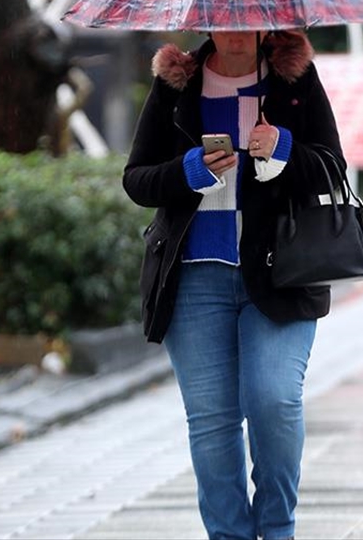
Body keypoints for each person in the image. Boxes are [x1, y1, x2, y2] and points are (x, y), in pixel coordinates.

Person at [123, 29, 344, 540]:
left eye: (248, 15)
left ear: (266, 20)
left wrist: (283, 148)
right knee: (212, 423)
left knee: (275, 400)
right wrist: (188, 171)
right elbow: (137, 178)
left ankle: (277, 529)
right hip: (194, 276)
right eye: (225, 15)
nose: (237, 28)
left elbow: (333, 169)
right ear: (206, 18)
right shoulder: (177, 83)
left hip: (280, 274)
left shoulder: (294, 79)